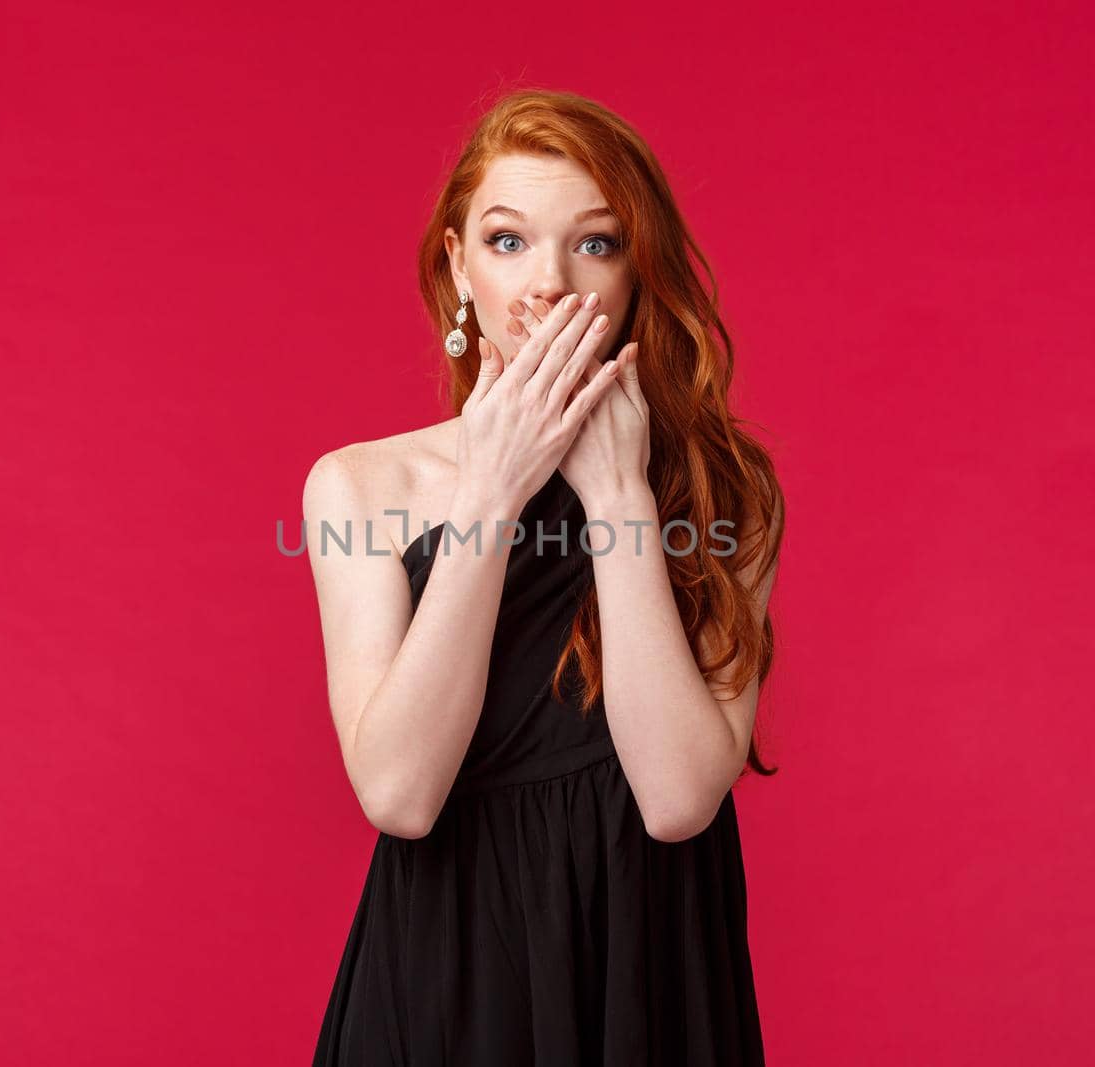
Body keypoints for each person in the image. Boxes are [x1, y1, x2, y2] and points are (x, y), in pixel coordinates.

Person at [303, 87, 786, 1065]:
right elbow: (398, 790)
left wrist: (616, 497)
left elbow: (678, 795)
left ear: (639, 269)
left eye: (595, 243)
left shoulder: (726, 490)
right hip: (449, 980)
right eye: (509, 241)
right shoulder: (360, 484)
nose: (548, 283)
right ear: (457, 267)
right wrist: (493, 486)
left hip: (647, 978)